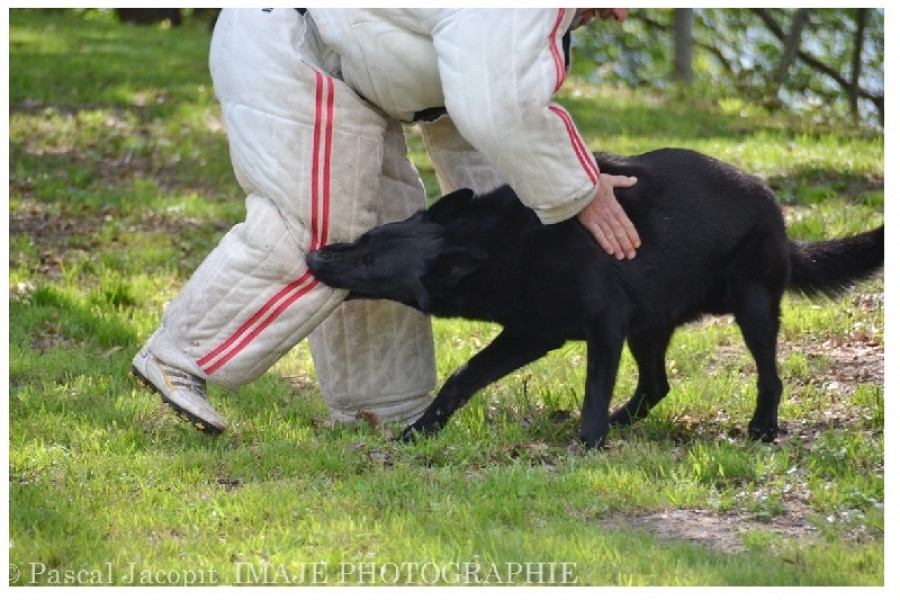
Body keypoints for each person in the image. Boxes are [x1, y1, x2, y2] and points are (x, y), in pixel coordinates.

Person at [130, 8, 640, 434]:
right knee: (317, 233)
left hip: (357, 82)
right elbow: (497, 110)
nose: (619, 15)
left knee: (393, 240)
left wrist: (528, 226)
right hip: (293, 54)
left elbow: (469, 125)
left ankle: (379, 410)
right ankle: (180, 358)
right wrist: (579, 191)